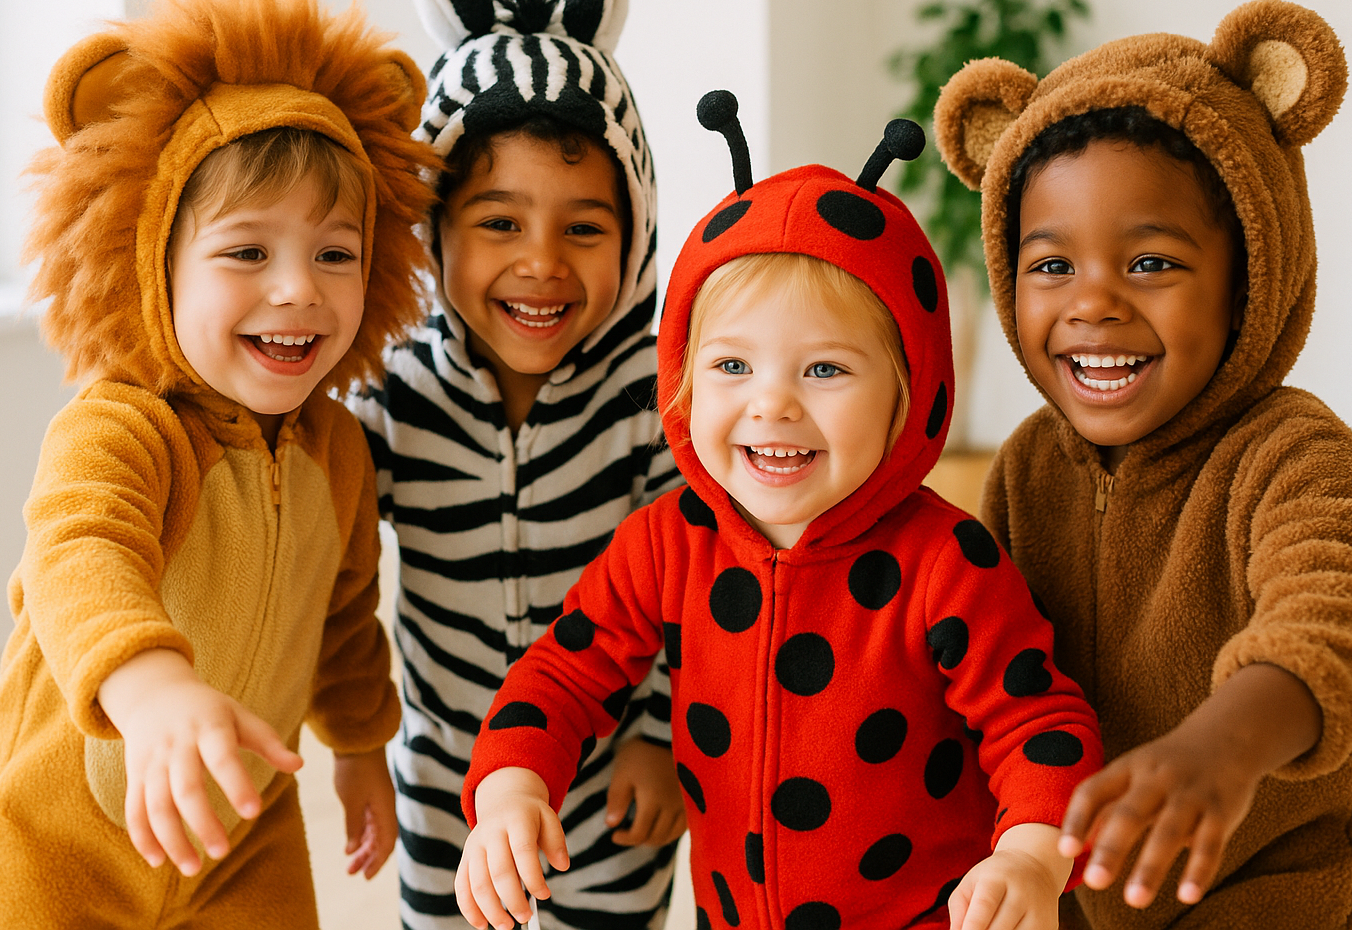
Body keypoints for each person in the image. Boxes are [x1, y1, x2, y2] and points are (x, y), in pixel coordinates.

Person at [452, 92, 1105, 930]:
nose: (772, 406)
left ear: (910, 394)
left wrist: (1030, 855)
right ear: (683, 379)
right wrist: (511, 786)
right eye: (730, 366)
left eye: (824, 371)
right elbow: (562, 675)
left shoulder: (946, 562)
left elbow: (1039, 722)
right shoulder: (666, 543)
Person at [0, 0, 437, 928]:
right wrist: (153, 690)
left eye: (335, 253)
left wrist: (358, 746)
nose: (299, 289)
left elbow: (342, 617)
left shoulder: (337, 449)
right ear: (154, 264)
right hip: (63, 841)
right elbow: (78, 555)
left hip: (241, 830)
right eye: (247, 252)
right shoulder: (122, 426)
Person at [933, 0, 1352, 929]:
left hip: (1274, 893)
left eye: (1150, 264)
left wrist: (1220, 750)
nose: (1092, 303)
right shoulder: (1026, 470)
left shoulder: (1289, 451)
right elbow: (976, 660)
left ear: (1250, 277)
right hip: (1074, 890)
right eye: (1050, 264)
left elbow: (1341, 615)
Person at [347, 0, 684, 930]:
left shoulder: (651, 398)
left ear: (636, 233)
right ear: (432, 232)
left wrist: (661, 736)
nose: (541, 265)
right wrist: (356, 733)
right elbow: (317, 544)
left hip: (608, 764)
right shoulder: (395, 391)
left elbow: (692, 583)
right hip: (444, 768)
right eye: (499, 221)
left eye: (585, 229)